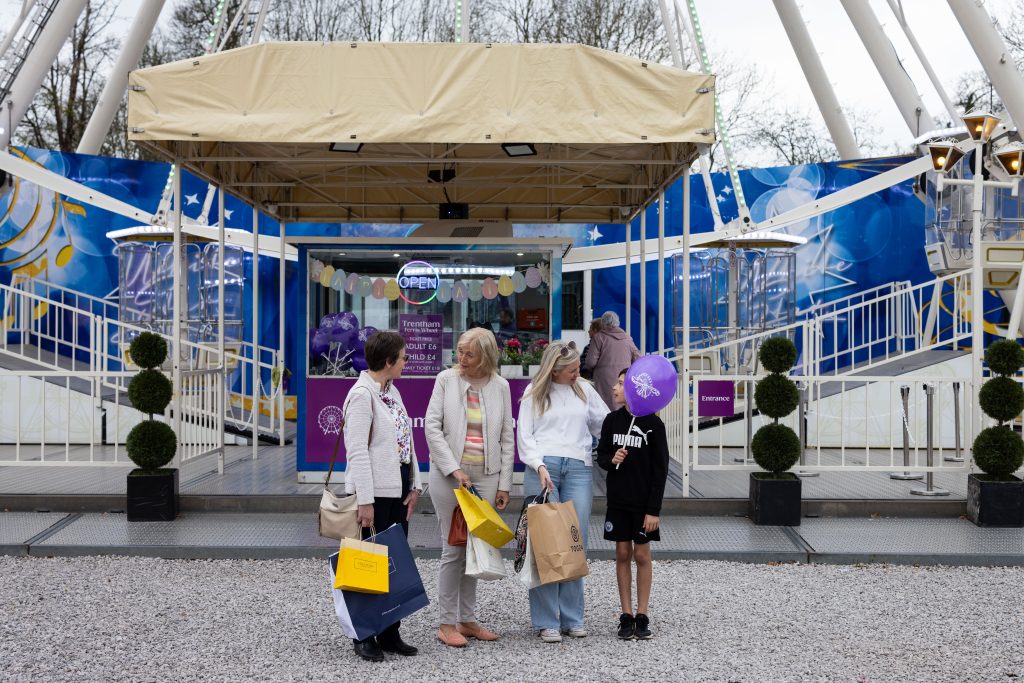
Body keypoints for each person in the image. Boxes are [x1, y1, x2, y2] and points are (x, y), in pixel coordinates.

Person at [425, 328, 515, 648]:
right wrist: (454, 468)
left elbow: (507, 437)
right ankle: (446, 623)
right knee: (453, 549)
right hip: (449, 476)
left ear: (485, 356)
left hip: (487, 476)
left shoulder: (501, 386)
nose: (461, 358)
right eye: (459, 352)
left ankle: (467, 619)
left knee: (474, 548)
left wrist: (505, 483)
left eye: (469, 354)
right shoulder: (446, 380)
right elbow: (432, 428)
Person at [517, 340, 609, 643]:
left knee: (574, 541)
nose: (577, 373)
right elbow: (525, 435)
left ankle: (572, 618)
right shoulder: (534, 392)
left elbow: (604, 424)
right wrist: (538, 465)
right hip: (543, 469)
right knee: (545, 543)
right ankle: (547, 621)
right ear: (554, 371)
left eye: (577, 368)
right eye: (571, 370)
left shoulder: (584, 389)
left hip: (579, 467)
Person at [342, 330, 423, 662]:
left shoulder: (392, 391)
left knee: (394, 563)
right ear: (388, 361)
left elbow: (407, 443)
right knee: (366, 565)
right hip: (374, 492)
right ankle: (364, 635)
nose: (406, 362)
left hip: (398, 487)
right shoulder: (362, 395)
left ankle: (390, 632)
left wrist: (415, 484)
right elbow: (357, 452)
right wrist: (364, 500)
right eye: (403, 357)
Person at [596, 368, 669, 641]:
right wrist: (611, 459)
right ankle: (626, 614)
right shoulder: (611, 421)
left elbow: (660, 470)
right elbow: (602, 456)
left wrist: (653, 510)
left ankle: (642, 613)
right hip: (618, 502)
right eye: (616, 382)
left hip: (643, 505)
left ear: (635, 390)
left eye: (621, 383)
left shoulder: (654, 425)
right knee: (623, 554)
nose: (615, 388)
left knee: (642, 556)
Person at [585, 311, 641, 410]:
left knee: (604, 410)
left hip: (603, 382)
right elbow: (638, 359)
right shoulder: (627, 338)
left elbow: (590, 363)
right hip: (623, 381)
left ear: (603, 323)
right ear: (617, 322)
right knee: (621, 408)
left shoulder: (598, 337)